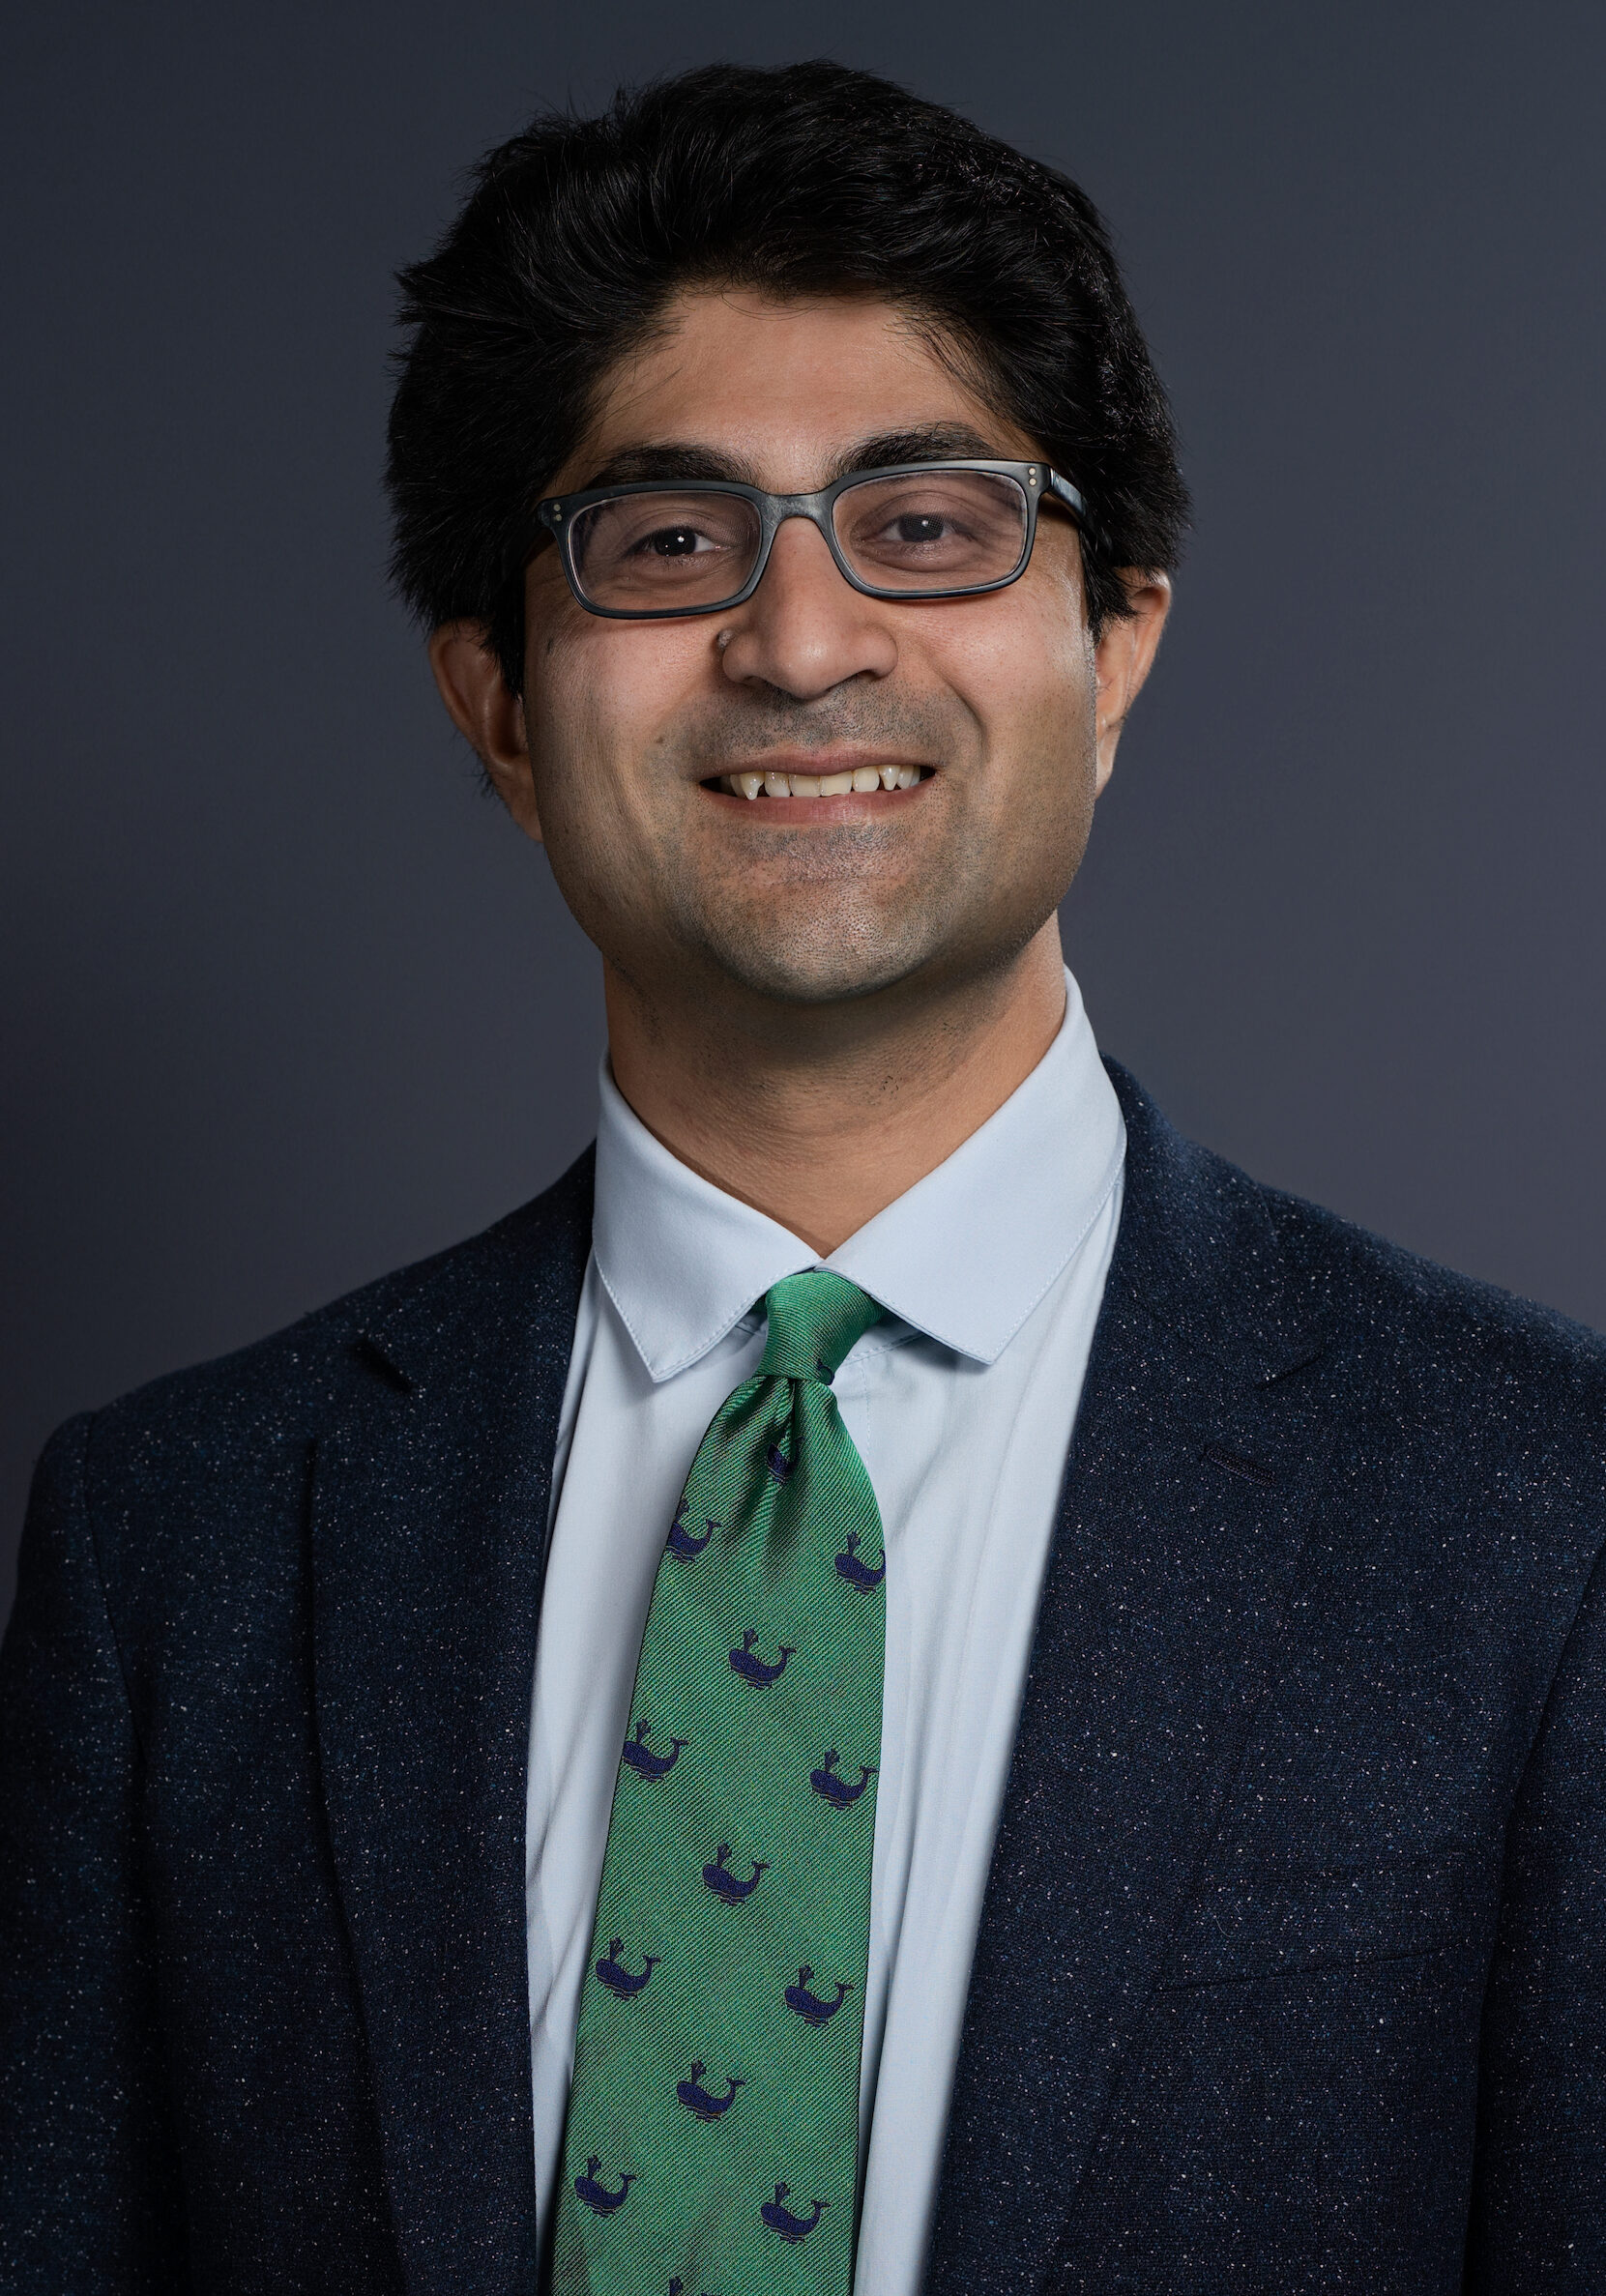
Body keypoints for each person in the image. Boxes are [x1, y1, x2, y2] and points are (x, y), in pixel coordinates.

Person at [2, 57, 1603, 2296]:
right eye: (667, 544)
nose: (800, 639)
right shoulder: (178, 1554)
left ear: (1117, 631)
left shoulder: (1541, 1514)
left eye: (926, 523)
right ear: (494, 699)